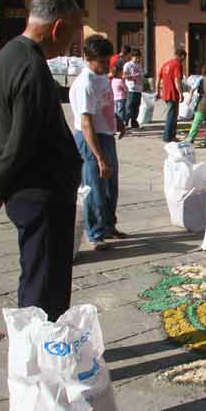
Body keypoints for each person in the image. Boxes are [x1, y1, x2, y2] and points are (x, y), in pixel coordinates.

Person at [0, 0, 83, 322]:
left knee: (37, 274)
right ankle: (41, 358)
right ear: (58, 27)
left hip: (29, 190)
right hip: (41, 194)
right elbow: (21, 142)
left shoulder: (7, 56)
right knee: (44, 284)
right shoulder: (31, 67)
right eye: (72, 33)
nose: (71, 44)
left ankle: (39, 351)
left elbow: (0, 135)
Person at [70, 35, 127, 251]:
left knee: (111, 186)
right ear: (88, 58)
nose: (105, 66)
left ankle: (108, 226)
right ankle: (94, 234)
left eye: (107, 61)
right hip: (91, 139)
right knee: (95, 187)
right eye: (101, 62)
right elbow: (86, 123)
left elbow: (106, 104)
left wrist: (117, 120)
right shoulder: (84, 84)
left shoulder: (102, 77)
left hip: (106, 135)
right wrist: (99, 157)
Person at [157, 48, 187, 142]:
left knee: (171, 114)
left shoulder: (166, 64)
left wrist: (157, 91)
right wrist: (181, 93)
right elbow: (177, 80)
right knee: (172, 116)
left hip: (165, 93)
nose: (184, 60)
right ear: (181, 56)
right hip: (172, 93)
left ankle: (170, 136)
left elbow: (159, 78)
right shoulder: (177, 64)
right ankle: (168, 136)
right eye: (184, 58)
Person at [122, 48, 143, 129]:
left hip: (139, 88)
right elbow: (123, 76)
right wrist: (132, 76)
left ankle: (134, 122)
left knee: (136, 106)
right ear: (132, 57)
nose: (137, 59)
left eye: (138, 57)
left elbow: (141, 75)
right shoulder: (128, 65)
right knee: (129, 106)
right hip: (131, 88)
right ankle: (126, 122)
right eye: (136, 57)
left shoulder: (139, 65)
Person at [111, 63, 127, 127]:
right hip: (121, 98)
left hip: (115, 98)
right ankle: (121, 125)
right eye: (121, 72)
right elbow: (125, 88)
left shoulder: (113, 80)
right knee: (121, 112)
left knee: (116, 111)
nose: (122, 74)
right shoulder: (120, 81)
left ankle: (117, 124)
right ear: (118, 73)